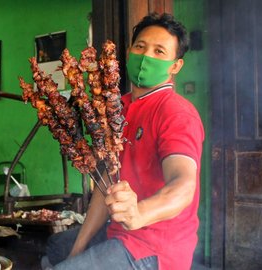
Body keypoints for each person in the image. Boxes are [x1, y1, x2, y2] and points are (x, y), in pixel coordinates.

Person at [42, 13, 204, 270]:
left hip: (155, 247)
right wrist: (77, 251)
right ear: (129, 51)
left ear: (175, 66)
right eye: (140, 47)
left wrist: (140, 212)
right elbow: (104, 186)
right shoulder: (119, 108)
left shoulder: (175, 112)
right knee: (55, 248)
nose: (146, 56)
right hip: (118, 233)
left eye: (159, 51)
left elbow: (183, 185)